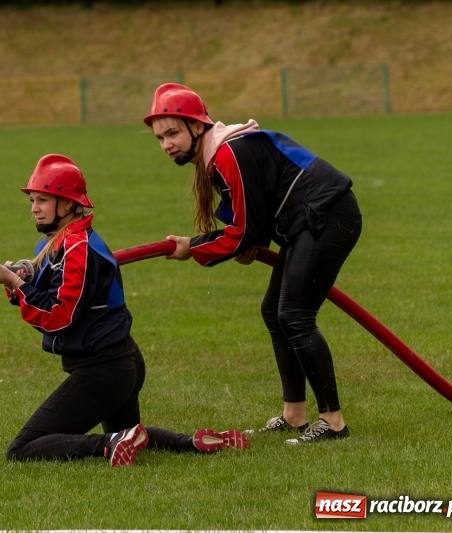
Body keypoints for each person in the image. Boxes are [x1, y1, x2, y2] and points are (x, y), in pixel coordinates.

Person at [0, 153, 249, 465]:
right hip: (120, 364)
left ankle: (107, 445)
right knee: (132, 433)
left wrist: (15, 282)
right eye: (32, 200)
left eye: (43, 200)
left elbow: (59, 316)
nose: (34, 208)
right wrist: (20, 281)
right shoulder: (59, 242)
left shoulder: (78, 250)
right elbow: (49, 292)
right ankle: (193, 443)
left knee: (23, 449)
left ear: (68, 205)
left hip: (104, 370)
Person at [143, 83, 362, 445]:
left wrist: (192, 247)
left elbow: (243, 230)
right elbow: (252, 219)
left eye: (172, 133)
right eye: (159, 138)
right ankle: (294, 415)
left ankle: (333, 422)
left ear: (197, 126)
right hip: (307, 222)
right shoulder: (222, 155)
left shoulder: (229, 152)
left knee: (294, 314)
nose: (166, 144)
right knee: (273, 311)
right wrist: (247, 241)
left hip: (327, 217)